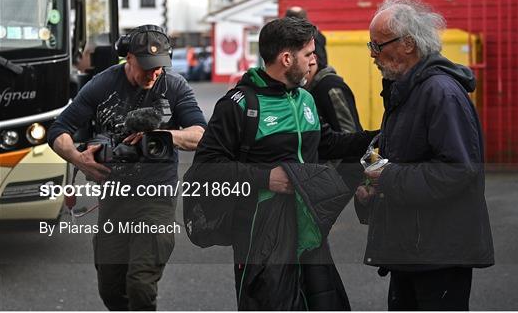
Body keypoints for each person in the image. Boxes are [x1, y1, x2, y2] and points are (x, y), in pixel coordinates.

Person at [184, 17, 377, 310]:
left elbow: (329, 144)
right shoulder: (238, 105)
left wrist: (382, 136)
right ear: (287, 58)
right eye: (309, 54)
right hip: (260, 242)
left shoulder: (305, 100)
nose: (314, 61)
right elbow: (204, 171)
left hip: (311, 233)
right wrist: (264, 178)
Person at [47, 25, 206, 310]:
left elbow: (201, 134)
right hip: (115, 195)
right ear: (128, 58)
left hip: (156, 195)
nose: (154, 73)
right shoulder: (102, 84)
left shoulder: (174, 85)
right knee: (110, 287)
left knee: (141, 284)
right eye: (146, 66)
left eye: (159, 67)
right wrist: (77, 157)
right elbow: (59, 130)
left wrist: (166, 136)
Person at [355, 0, 495, 310]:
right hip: (415, 250)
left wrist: (386, 178)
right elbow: (398, 156)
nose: (373, 54)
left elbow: (459, 170)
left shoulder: (440, 93)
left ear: (408, 44)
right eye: (370, 45)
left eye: (378, 45)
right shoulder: (406, 90)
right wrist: (370, 187)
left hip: (438, 255)